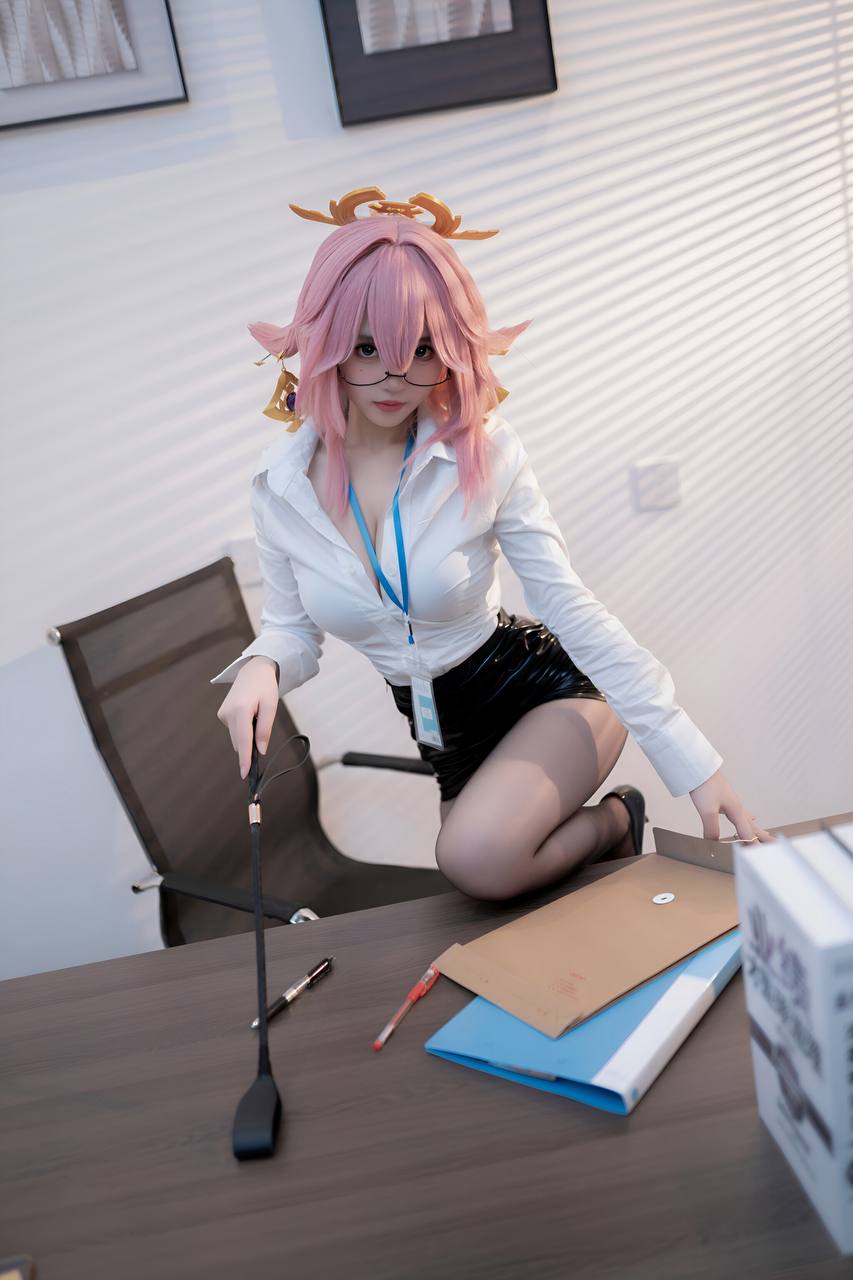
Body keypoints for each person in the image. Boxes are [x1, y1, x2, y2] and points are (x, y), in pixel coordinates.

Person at [211, 185, 772, 902]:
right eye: (366, 348)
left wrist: (693, 761)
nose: (394, 376)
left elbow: (566, 603)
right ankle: (603, 835)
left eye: (422, 350)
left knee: (474, 861)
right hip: (443, 734)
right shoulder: (281, 486)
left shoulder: (484, 454)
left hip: (545, 695)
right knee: (487, 892)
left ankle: (614, 818)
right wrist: (262, 666)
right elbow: (292, 629)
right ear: (326, 344)